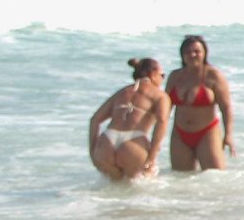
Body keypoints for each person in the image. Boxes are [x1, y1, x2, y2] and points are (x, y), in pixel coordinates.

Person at [88, 58, 169, 181]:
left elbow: (94, 120)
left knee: (112, 189)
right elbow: (162, 121)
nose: (162, 79)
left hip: (107, 143)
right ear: (153, 75)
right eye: (162, 75)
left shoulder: (122, 92)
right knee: (140, 190)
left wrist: (93, 153)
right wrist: (151, 156)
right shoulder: (159, 95)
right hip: (133, 144)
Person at [165, 35, 233, 171]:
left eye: (197, 51)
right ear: (182, 55)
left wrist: (228, 135)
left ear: (204, 53)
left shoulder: (214, 76)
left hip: (207, 132)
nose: (192, 55)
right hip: (179, 133)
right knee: (180, 179)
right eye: (188, 52)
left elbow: (225, 107)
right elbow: (165, 108)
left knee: (215, 177)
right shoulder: (174, 76)